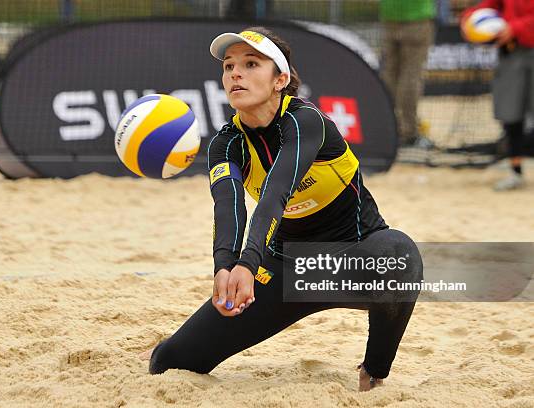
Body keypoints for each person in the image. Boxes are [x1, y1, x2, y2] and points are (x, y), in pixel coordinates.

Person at [144, 27, 423, 392]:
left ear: (281, 79)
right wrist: (225, 268)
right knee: (169, 362)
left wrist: (246, 261)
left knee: (399, 256)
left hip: (354, 259)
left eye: (250, 63)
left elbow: (276, 193)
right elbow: (228, 208)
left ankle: (374, 371)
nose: (235, 74)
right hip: (287, 271)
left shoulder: (307, 122)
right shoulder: (226, 144)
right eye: (228, 67)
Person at [463, 0, 534, 191]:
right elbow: (489, 5)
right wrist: (470, 19)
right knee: (511, 114)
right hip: (511, 52)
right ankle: (516, 171)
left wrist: (515, 27)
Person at [380, 0, 436, 147]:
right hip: (416, 19)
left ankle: (386, 127)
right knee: (411, 76)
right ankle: (409, 131)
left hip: (389, 17)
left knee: (389, 76)